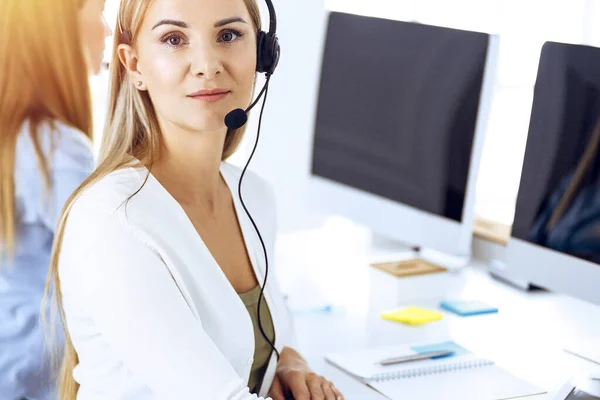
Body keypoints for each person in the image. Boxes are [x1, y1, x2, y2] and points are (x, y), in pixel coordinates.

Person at [45, 0, 345, 399]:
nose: (207, 64)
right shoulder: (111, 221)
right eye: (174, 39)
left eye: (228, 35)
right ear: (134, 66)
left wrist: (289, 360)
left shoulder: (253, 196)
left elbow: (269, 336)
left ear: (263, 53)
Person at [0, 0, 111, 398]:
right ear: (61, 27)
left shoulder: (19, 138)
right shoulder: (55, 149)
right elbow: (113, 274)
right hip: (35, 380)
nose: (109, 29)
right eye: (99, 10)